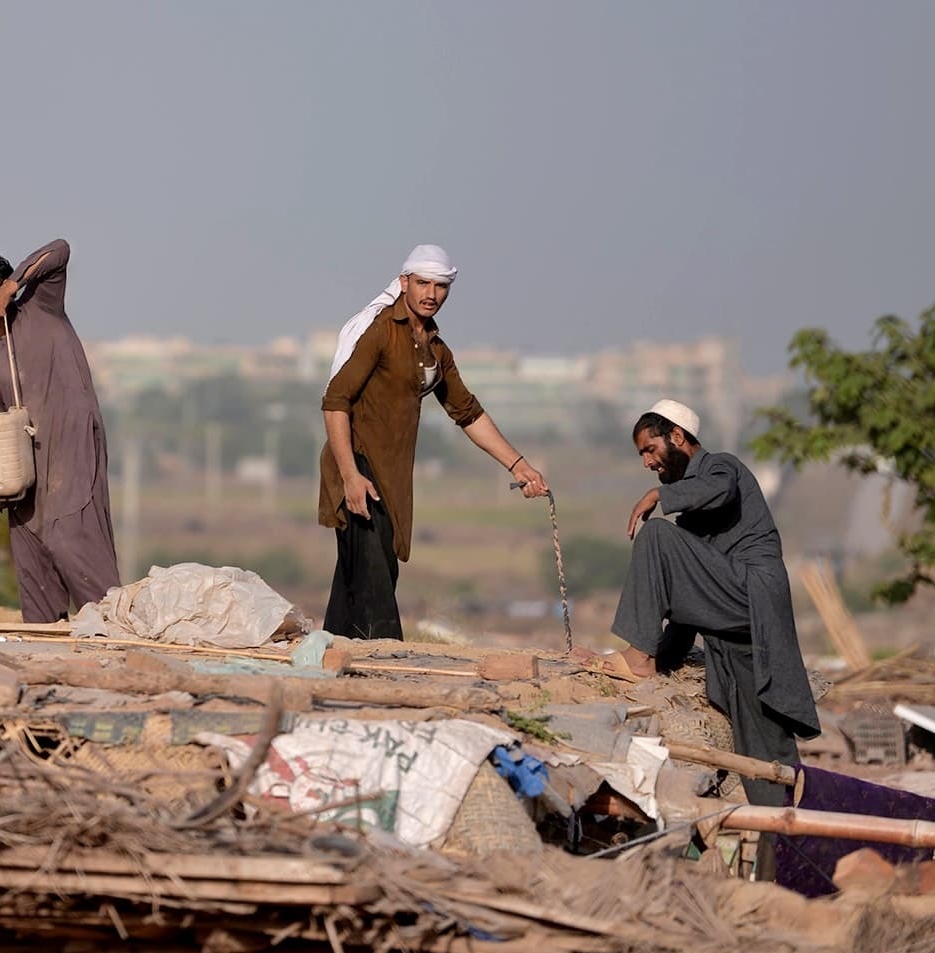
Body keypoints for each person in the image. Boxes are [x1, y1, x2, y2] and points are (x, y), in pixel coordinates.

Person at [319, 244, 549, 638]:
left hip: (393, 475)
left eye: (440, 286)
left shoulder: (436, 350)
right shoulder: (380, 332)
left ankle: (332, 652)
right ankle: (388, 664)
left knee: (357, 575)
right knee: (375, 574)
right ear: (404, 282)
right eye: (423, 283)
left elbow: (468, 413)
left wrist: (518, 464)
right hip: (358, 464)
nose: (431, 294)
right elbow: (335, 402)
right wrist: (350, 476)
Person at [605, 399, 819, 810]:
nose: (647, 462)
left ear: (678, 437)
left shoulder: (722, 467)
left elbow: (719, 490)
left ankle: (637, 654)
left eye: (650, 449)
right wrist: (666, 659)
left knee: (656, 537)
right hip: (740, 626)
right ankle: (790, 831)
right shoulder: (692, 518)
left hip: (751, 591)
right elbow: (688, 603)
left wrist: (658, 495)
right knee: (760, 745)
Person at [0, 238, 119, 623]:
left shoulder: (41, 308)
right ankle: (46, 639)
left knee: (68, 538)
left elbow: (60, 250)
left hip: (71, 445)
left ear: (1, 282)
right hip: (26, 470)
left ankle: (114, 628)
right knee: (32, 555)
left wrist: (14, 287)